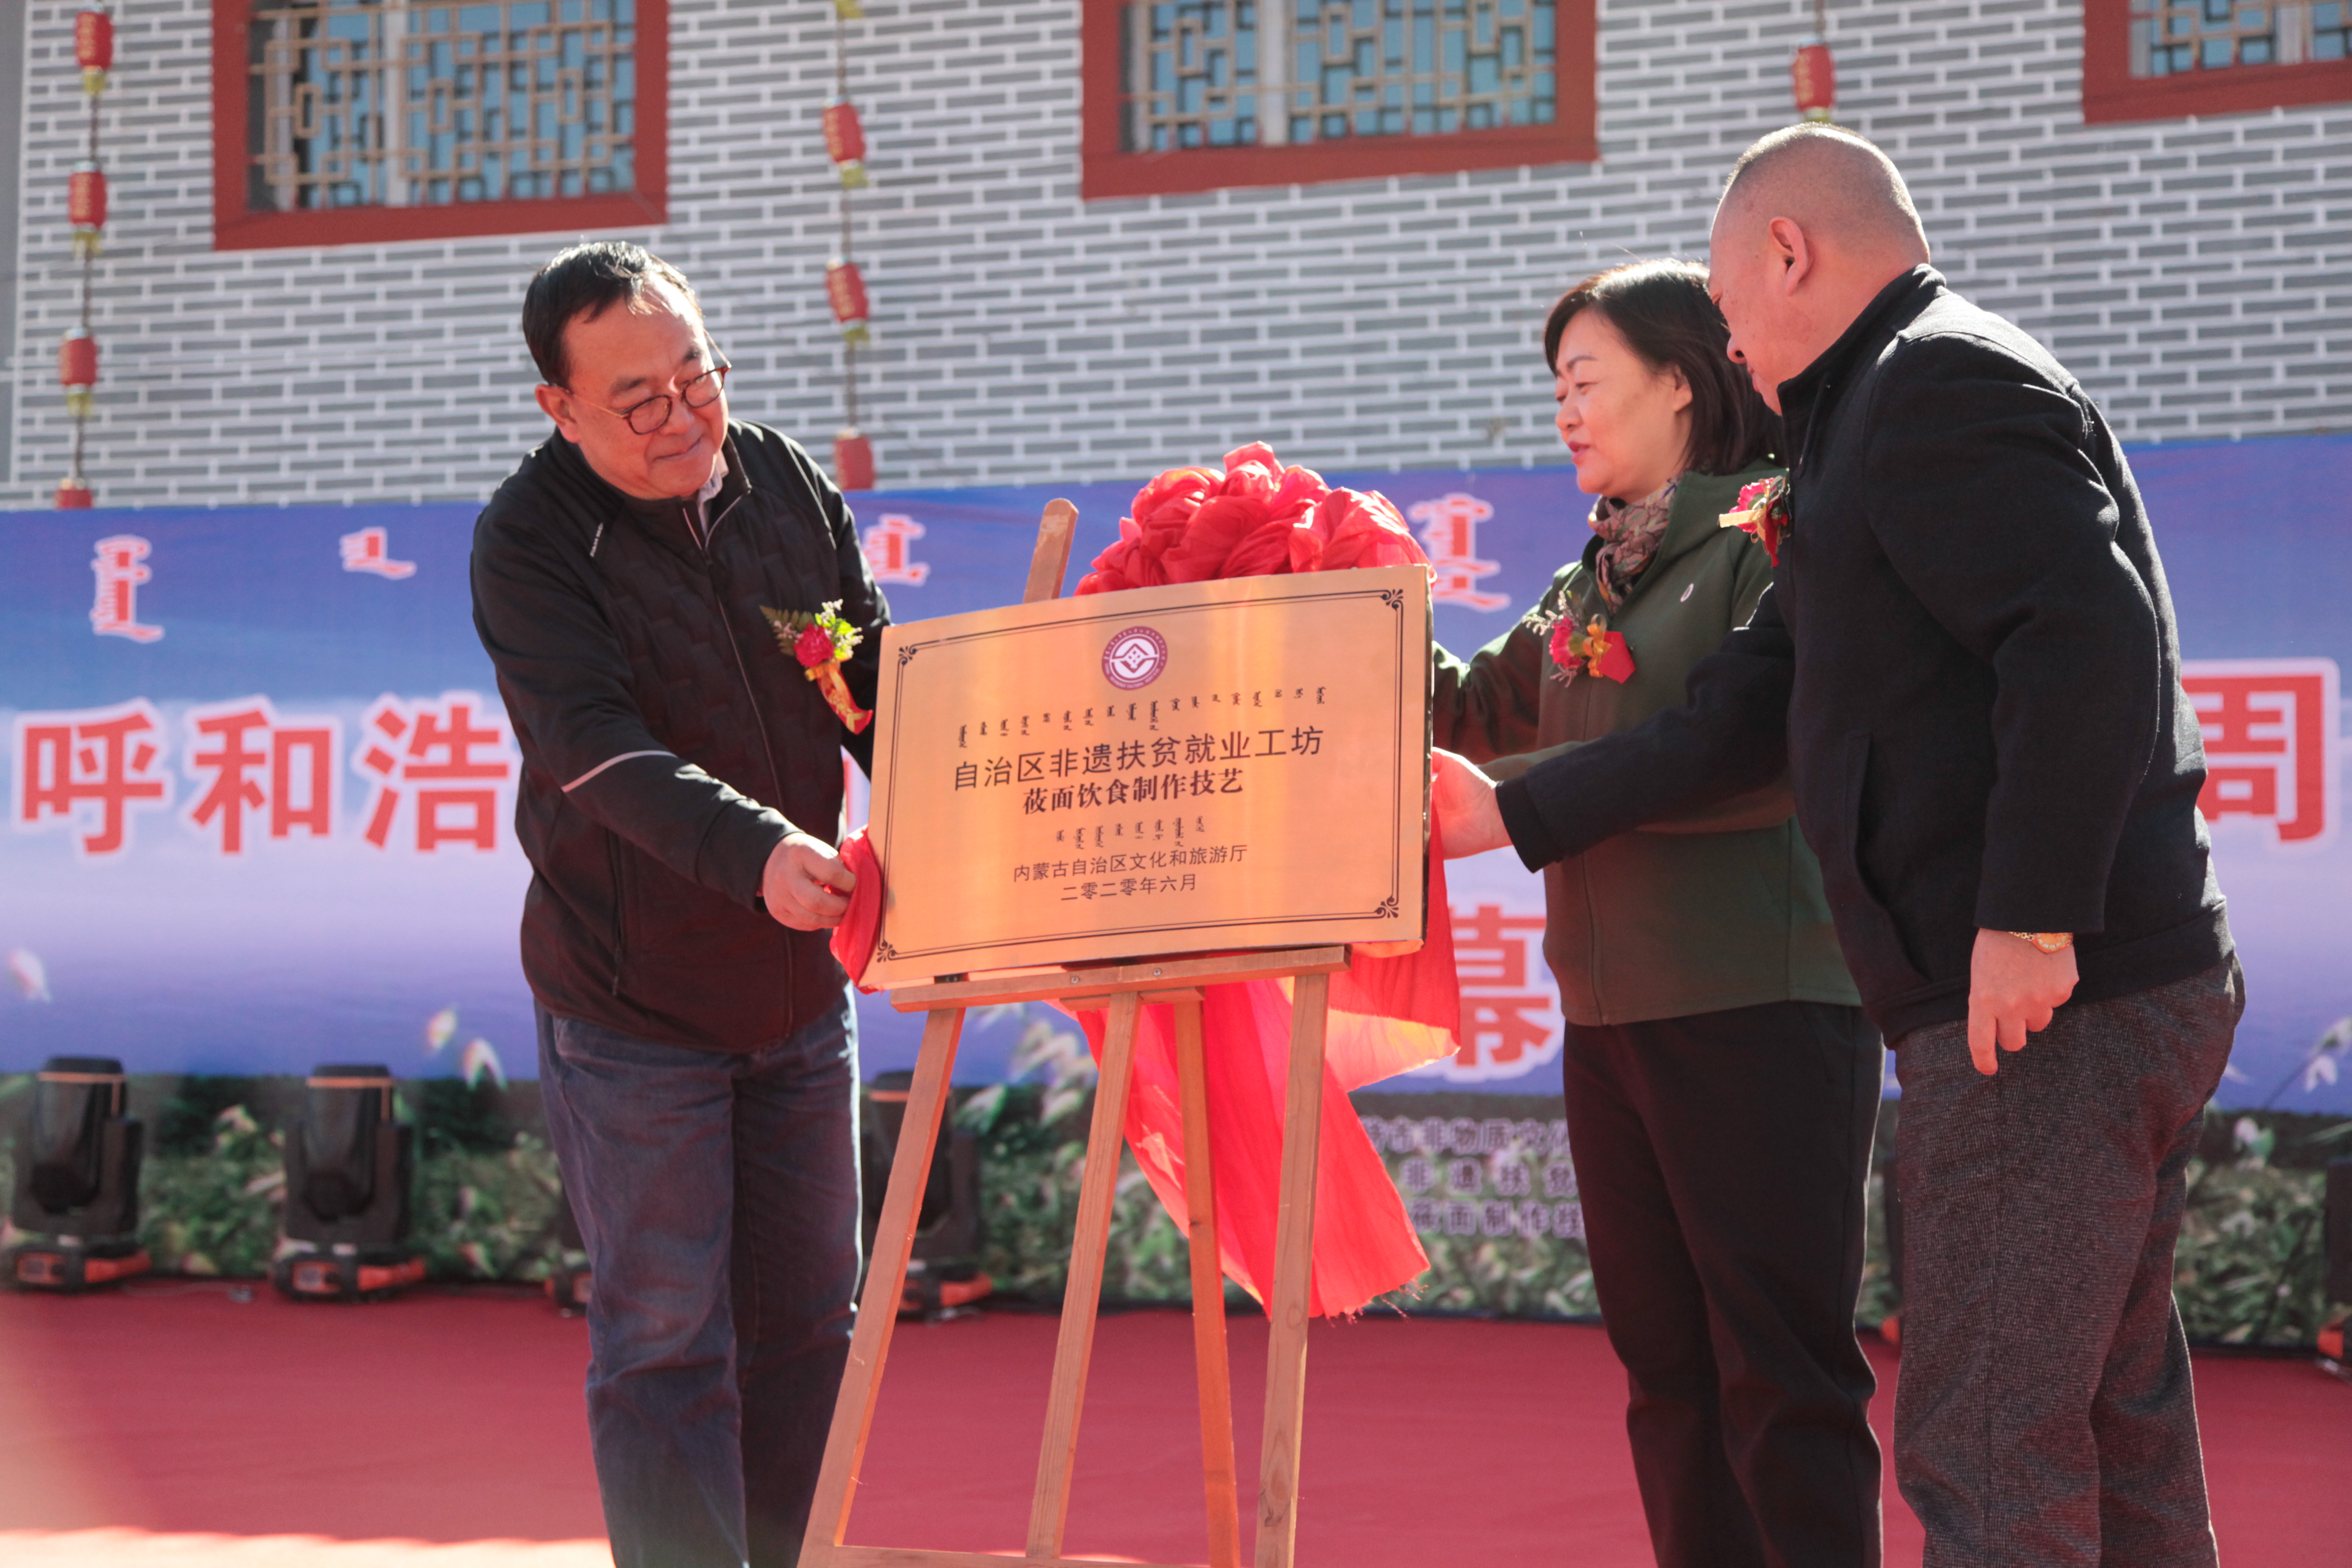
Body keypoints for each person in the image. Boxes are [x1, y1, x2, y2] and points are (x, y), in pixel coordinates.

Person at [1435, 125, 2240, 1568]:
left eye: (1731, 309)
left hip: (2055, 991)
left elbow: (2087, 635)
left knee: (1991, 1445)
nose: (1735, 344)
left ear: (1792, 257)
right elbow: (1753, 705)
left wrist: (2036, 916)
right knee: (2105, 1431)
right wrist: (1513, 811)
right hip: (2043, 991)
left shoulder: (1936, 379)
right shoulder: (1859, 424)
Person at [1432, 259, 1882, 1568]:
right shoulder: (1596, 580)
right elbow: (1465, 712)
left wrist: (1504, 806)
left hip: (1760, 1007)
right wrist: (1343, 584)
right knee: (1668, 1378)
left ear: (1683, 384)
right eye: (1556, 388)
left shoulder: (1771, 534)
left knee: (1780, 1377)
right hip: (1613, 1020)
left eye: (1588, 382)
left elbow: (1738, 749)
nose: (1565, 413)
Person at [470, 241, 886, 1568]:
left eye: (696, 375)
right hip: (634, 1005)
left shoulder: (779, 480)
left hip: (801, 990)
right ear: (560, 407)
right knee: (666, 1340)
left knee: (813, 1321)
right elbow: (591, 749)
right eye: (638, 398)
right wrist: (760, 850)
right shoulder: (530, 541)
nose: (683, 417)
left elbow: (874, 678)